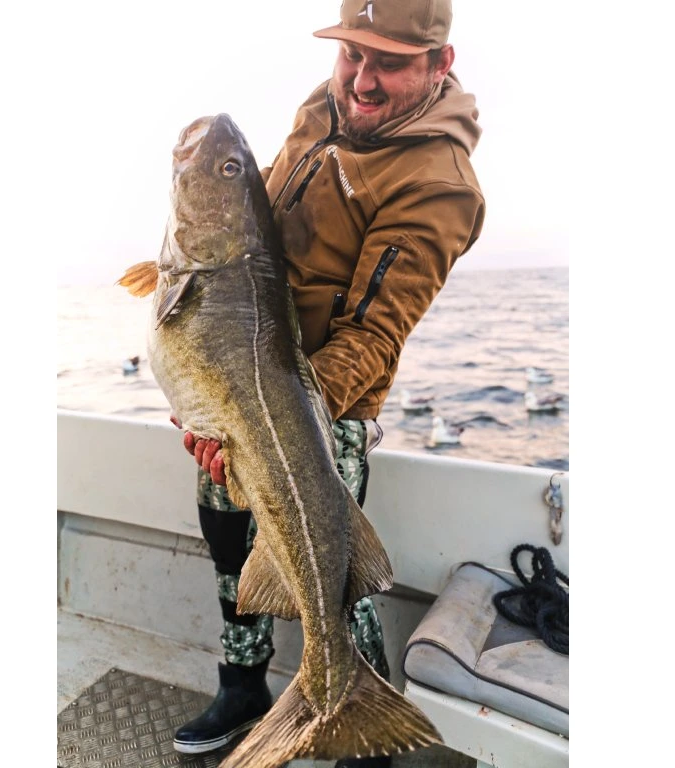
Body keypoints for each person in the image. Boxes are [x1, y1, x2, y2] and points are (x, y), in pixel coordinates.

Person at [171, 1, 485, 766]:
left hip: (325, 406)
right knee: (227, 534)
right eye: (353, 54)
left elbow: (372, 339)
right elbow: (264, 217)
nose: (362, 80)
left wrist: (271, 420)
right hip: (237, 381)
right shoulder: (325, 103)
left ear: (439, 64)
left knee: (334, 574)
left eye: (390, 63)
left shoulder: (439, 183)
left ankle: (360, 724)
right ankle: (244, 686)